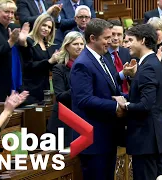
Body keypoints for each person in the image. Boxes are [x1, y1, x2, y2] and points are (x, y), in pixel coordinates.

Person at [113, 24, 162, 180]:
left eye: (130, 40)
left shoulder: (148, 67)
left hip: (147, 139)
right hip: (153, 137)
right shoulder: (150, 63)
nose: (126, 45)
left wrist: (125, 105)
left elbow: (146, 105)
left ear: (143, 40)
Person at [69, 18, 123, 180]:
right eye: (106, 38)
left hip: (106, 137)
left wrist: (128, 100)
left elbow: (111, 91)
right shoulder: (83, 64)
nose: (111, 41)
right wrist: (116, 106)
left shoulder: (103, 58)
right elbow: (84, 100)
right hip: (93, 140)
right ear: (92, 38)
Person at [47, 31, 85, 147]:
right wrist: (78, 88)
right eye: (75, 44)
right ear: (67, 46)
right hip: (64, 120)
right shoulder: (59, 68)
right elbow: (60, 96)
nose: (79, 47)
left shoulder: (87, 66)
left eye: (81, 44)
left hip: (82, 116)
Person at [18, 14, 59, 105]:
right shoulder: (28, 41)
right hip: (30, 88)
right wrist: (49, 61)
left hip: (44, 88)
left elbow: (50, 67)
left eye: (49, 27)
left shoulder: (48, 44)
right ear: (37, 24)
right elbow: (27, 66)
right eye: (44, 25)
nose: (46, 29)